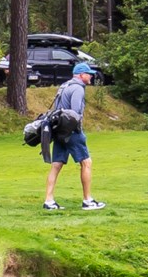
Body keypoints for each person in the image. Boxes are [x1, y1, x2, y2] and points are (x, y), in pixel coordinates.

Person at [42, 61, 105, 212]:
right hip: (71, 132)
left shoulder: (64, 86)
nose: (90, 76)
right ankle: (87, 200)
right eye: (88, 74)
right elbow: (75, 113)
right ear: (81, 75)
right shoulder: (78, 89)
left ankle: (49, 201)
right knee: (86, 162)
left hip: (58, 130)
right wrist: (77, 132)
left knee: (56, 165)